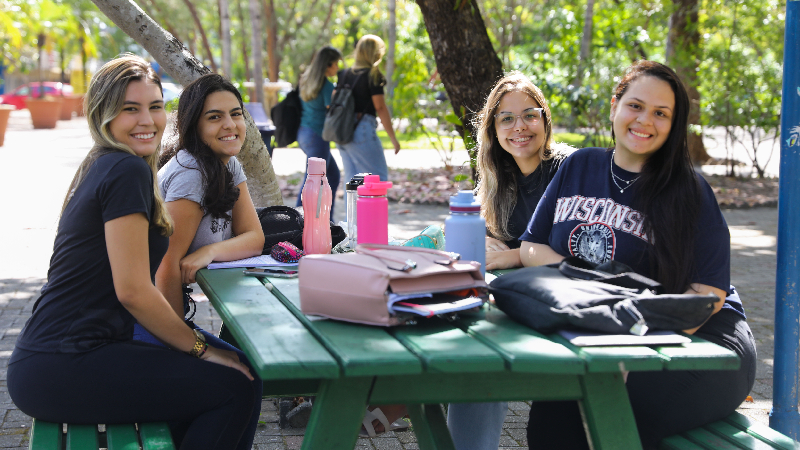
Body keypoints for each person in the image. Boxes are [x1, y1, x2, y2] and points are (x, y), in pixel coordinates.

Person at [7, 55, 255, 450]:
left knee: (234, 374)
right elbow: (134, 291)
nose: (147, 120)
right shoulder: (125, 170)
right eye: (130, 109)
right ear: (103, 115)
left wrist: (195, 349)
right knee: (236, 386)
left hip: (62, 357)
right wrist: (199, 348)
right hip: (66, 363)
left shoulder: (105, 163)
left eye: (155, 107)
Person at [520, 60, 756, 449]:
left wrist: (639, 351)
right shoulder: (579, 165)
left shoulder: (690, 191)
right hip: (606, 332)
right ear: (615, 105)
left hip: (705, 344)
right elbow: (531, 248)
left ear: (673, 124)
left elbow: (708, 298)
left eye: (660, 113)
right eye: (636, 105)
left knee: (622, 412)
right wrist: (597, 285)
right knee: (551, 417)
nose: (645, 120)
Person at [133, 73, 265, 450]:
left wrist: (208, 251)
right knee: (240, 376)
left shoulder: (225, 162)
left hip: (155, 313)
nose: (230, 125)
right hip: (140, 320)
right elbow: (165, 269)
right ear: (194, 125)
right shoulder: (191, 173)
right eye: (214, 117)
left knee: (245, 370)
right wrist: (183, 346)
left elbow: (253, 237)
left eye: (236, 114)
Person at [445, 72, 570, 450]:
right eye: (507, 119)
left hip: (564, 298)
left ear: (545, 120)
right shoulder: (501, 177)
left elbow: (572, 255)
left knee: (483, 345)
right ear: (494, 129)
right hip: (519, 291)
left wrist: (510, 256)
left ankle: (390, 405)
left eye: (529, 115)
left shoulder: (569, 170)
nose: (520, 127)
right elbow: (499, 240)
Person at [336, 34, 401, 185]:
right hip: (362, 129)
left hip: (343, 131)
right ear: (376, 53)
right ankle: (375, 210)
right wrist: (393, 138)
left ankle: (351, 210)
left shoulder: (344, 74)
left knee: (352, 183)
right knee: (377, 180)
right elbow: (380, 107)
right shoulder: (373, 75)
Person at [296, 45, 343, 215]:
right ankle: (298, 220)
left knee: (333, 175)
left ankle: (325, 219)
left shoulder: (307, 80)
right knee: (313, 182)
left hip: (304, 134)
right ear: (327, 65)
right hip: (317, 137)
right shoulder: (326, 86)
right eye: (335, 64)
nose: (337, 68)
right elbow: (334, 113)